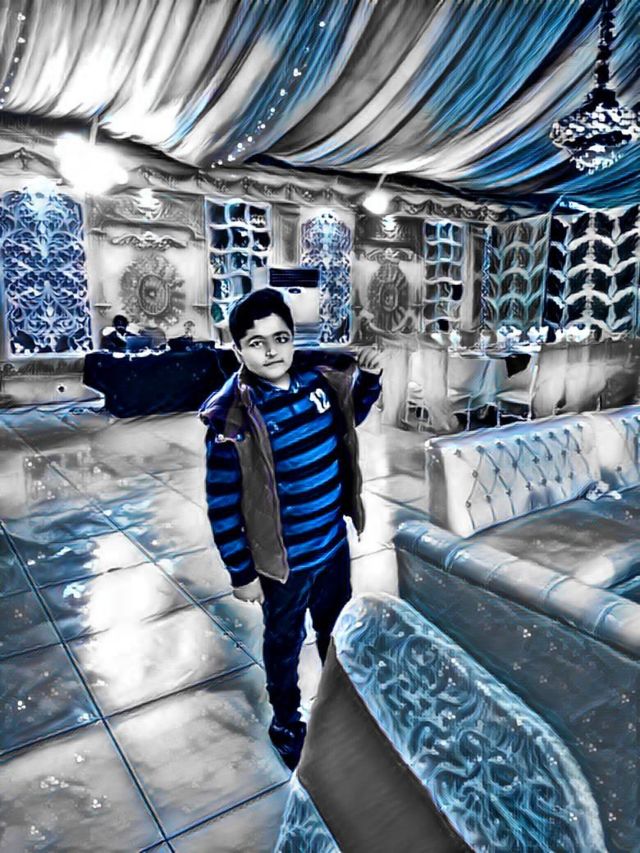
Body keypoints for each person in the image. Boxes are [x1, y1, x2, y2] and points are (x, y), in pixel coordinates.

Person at [199, 288, 382, 769]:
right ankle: (286, 721)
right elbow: (222, 504)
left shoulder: (315, 384)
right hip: (281, 563)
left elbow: (349, 418)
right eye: (256, 343)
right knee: (283, 643)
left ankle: (342, 700)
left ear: (293, 338)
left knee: (335, 629)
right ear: (237, 349)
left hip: (331, 545)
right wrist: (242, 573)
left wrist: (369, 379)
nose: (271, 351)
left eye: (280, 338)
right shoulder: (232, 420)